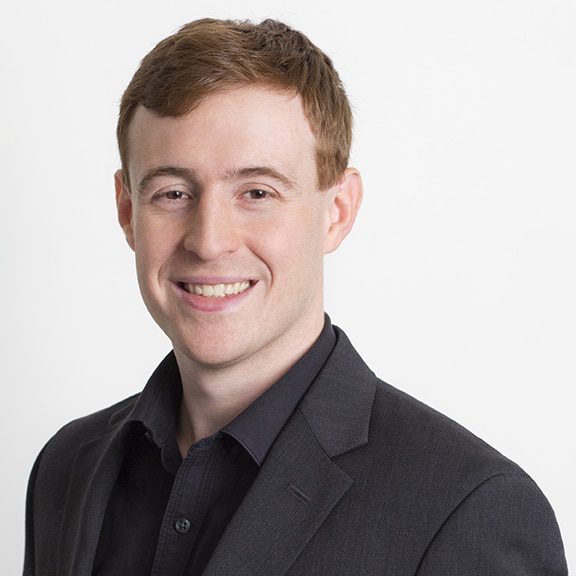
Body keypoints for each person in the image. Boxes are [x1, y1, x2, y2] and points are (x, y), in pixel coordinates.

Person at [23, 17, 567, 576]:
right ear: (126, 211)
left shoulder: (471, 511)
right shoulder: (67, 469)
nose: (209, 241)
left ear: (338, 211)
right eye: (173, 192)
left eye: (257, 192)